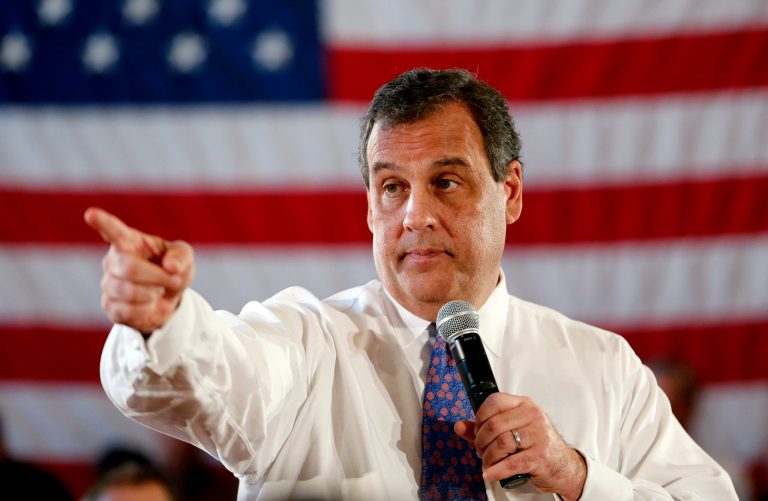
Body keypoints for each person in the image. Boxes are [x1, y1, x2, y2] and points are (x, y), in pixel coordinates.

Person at [85, 68, 737, 500]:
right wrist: (160, 322)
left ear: (508, 193)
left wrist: (577, 475)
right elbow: (208, 377)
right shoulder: (307, 345)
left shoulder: (604, 367)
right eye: (392, 187)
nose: (414, 214)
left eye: (446, 181)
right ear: (370, 206)